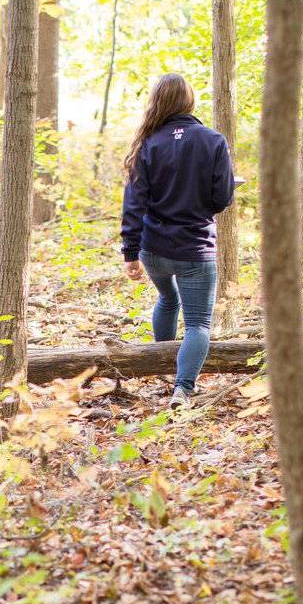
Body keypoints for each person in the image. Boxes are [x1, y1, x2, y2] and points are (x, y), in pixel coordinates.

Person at [120, 72, 235, 408]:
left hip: (154, 249)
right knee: (198, 322)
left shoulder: (148, 144)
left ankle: (164, 371)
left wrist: (130, 252)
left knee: (168, 299)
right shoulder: (213, 141)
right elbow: (222, 197)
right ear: (189, 101)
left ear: (157, 102)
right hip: (196, 249)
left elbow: (134, 204)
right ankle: (183, 389)